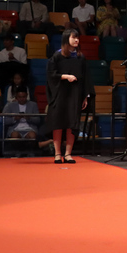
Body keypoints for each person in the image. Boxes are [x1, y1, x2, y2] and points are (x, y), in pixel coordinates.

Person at [41, 28, 93, 164]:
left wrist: (85, 96)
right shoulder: (57, 56)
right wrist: (65, 76)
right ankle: (57, 154)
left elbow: (86, 78)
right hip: (59, 94)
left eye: (77, 38)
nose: (76, 40)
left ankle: (68, 154)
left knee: (72, 124)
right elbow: (51, 75)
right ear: (66, 39)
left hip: (75, 94)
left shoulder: (80, 57)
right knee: (58, 123)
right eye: (73, 37)